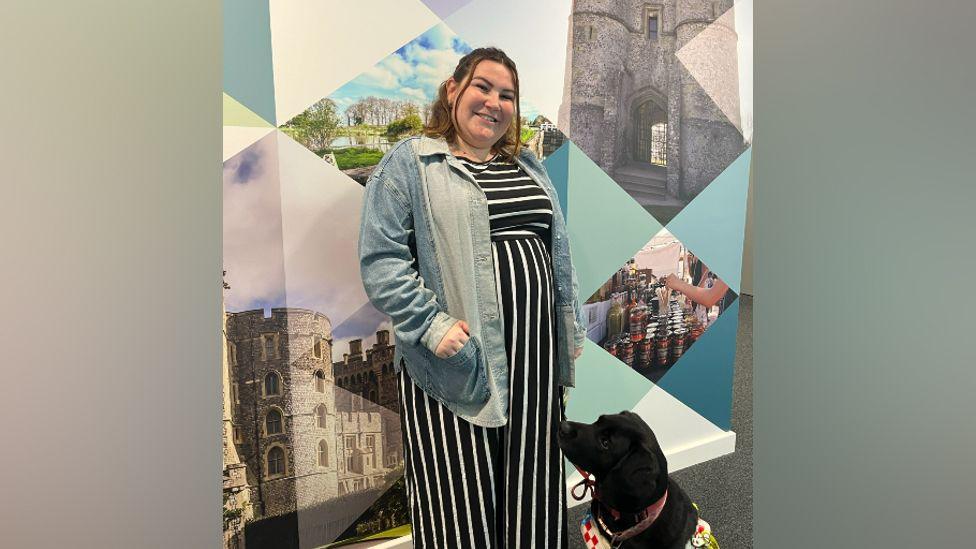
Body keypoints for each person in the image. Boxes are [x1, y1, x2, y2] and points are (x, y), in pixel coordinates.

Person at [358, 47, 585, 548]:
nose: (494, 102)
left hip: (535, 360)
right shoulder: (411, 163)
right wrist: (432, 327)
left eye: (507, 95)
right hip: (460, 362)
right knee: (458, 501)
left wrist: (567, 326)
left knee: (532, 492)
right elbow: (382, 261)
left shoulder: (527, 164)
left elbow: (556, 251)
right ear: (454, 89)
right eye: (483, 86)